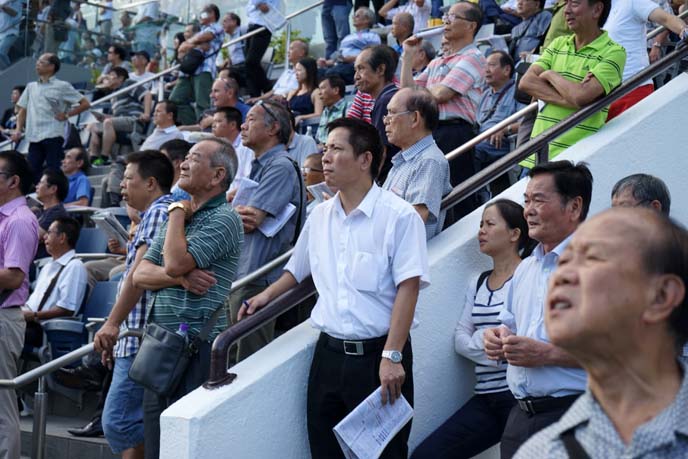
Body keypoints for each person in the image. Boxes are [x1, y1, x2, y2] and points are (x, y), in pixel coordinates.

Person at [239, 117, 429, 459]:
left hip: (378, 358)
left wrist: (392, 355)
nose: (325, 157)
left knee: (385, 453)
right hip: (327, 356)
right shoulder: (320, 215)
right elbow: (296, 272)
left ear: (365, 159)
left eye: (336, 149)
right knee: (325, 451)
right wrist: (263, 297)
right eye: (325, 149)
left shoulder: (399, 216)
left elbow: (409, 288)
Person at [515, 207, 688, 458]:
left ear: (661, 296)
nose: (561, 275)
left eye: (593, 257)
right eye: (564, 262)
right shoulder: (542, 453)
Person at [132, 139, 241, 459]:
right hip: (161, 342)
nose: (183, 164)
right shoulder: (178, 217)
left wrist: (177, 210)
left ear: (217, 175)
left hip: (196, 345)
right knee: (156, 442)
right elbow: (140, 275)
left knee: (183, 445)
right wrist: (179, 277)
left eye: (194, 159)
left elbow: (174, 261)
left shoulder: (224, 218)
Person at [483, 160, 593, 459]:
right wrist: (497, 338)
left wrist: (548, 355)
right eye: (526, 200)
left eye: (539, 200)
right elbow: (510, 325)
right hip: (520, 416)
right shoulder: (526, 269)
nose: (528, 209)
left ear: (574, 207)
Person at [412, 199, 534, 459]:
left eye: (490, 224)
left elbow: (521, 337)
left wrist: (491, 343)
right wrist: (490, 346)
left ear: (514, 234)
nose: (481, 231)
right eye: (480, 225)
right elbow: (460, 341)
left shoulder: (527, 277)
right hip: (486, 399)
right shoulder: (477, 283)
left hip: (518, 399)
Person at [92, 151, 174, 459]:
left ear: (151, 183)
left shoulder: (157, 212)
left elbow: (138, 277)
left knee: (119, 422)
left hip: (141, 337)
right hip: (138, 335)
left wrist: (113, 323)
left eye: (128, 178)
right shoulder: (156, 214)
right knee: (131, 421)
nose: (122, 185)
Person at [226, 100, 306, 363]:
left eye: (250, 119)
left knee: (247, 360)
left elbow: (251, 220)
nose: (243, 125)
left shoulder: (280, 166)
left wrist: (223, 213)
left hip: (258, 277)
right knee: (233, 355)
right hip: (245, 272)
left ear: (272, 128)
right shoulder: (261, 165)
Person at [400, 1, 485, 218]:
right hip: (432, 131)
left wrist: (424, 92)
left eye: (454, 17)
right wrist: (408, 56)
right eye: (446, 16)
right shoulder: (438, 61)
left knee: (456, 194)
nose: (446, 20)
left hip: (455, 132)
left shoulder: (474, 56)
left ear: (471, 26)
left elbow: (441, 94)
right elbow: (407, 94)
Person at [518, 0, 626, 168]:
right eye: (566, 4)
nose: (566, 11)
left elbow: (580, 96)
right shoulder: (558, 43)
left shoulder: (614, 52)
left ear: (597, 10)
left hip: (574, 160)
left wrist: (550, 74)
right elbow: (526, 82)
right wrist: (572, 98)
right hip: (537, 155)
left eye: (574, 3)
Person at [0, 151, 39, 459]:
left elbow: (14, 277)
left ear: (13, 181)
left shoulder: (20, 220)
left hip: (4, 317)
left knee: (1, 407)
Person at [382, 87, 450, 239]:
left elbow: (414, 219)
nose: (386, 120)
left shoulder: (428, 162)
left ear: (414, 119)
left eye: (392, 113)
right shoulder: (404, 160)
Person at [13, 53, 91, 184]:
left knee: (54, 170)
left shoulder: (62, 86)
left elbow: (85, 103)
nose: (37, 64)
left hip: (53, 133)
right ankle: (39, 196)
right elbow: (22, 110)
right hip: (34, 135)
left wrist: (67, 115)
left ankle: (56, 197)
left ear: (51, 67)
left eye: (41, 62)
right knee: (31, 170)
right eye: (37, 62)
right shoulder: (31, 86)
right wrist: (18, 129)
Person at [604, 0, 688, 120]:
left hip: (633, 88)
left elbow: (666, 19)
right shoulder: (599, 9)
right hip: (606, 93)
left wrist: (684, 30)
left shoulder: (632, 2)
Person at [22, 217, 87, 347]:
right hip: (27, 322)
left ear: (62, 238)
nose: (45, 237)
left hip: (44, 330)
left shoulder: (74, 266)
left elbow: (66, 309)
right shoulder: (47, 266)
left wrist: (33, 315)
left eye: (49, 232)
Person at [474, 51, 524, 196]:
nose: (487, 70)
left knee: (472, 152)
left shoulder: (518, 91)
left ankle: (477, 196)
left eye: (492, 65)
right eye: (485, 66)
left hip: (503, 144)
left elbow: (527, 121)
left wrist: (505, 129)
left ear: (507, 69)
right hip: (481, 139)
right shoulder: (485, 94)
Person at [171, 3, 225, 125]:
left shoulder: (217, 27)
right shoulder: (200, 31)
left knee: (202, 103)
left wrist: (187, 44)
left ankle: (203, 129)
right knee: (175, 100)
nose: (201, 15)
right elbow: (182, 51)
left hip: (204, 70)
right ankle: (195, 125)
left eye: (205, 12)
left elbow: (207, 36)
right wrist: (195, 43)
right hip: (188, 71)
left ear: (213, 14)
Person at [87, 67, 153, 164]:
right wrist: (102, 117)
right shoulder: (114, 94)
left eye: (112, 75)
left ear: (120, 78)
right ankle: (93, 158)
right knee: (92, 126)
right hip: (120, 121)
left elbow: (147, 94)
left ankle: (104, 157)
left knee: (108, 122)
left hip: (134, 120)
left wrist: (147, 114)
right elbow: (115, 117)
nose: (108, 77)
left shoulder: (128, 84)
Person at [353, 45, 399, 182]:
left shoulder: (386, 101)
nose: (356, 76)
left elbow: (381, 152)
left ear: (380, 70)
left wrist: (367, 186)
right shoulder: (390, 96)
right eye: (355, 70)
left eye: (361, 69)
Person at [318, 7, 381, 84]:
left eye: (357, 16)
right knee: (317, 73)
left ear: (367, 19)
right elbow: (338, 57)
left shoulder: (372, 35)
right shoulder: (347, 37)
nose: (353, 18)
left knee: (331, 75)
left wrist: (351, 59)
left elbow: (374, 54)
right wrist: (326, 62)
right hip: (340, 65)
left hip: (355, 66)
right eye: (353, 16)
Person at [247, 39, 309, 104]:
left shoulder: (305, 73)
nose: (288, 51)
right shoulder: (287, 72)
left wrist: (283, 96)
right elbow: (273, 91)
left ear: (301, 53)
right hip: (273, 101)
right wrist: (257, 99)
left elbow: (303, 91)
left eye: (291, 49)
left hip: (286, 103)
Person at [245, 0, 280, 97]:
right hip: (252, 26)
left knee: (251, 62)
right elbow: (248, 9)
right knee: (248, 66)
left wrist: (257, 4)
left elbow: (264, 8)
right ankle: (254, 95)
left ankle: (269, 90)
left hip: (263, 27)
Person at [34, 169, 69, 259]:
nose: (37, 186)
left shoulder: (57, 213)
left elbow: (31, 237)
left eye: (41, 183)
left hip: (42, 262)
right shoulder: (38, 211)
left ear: (53, 189)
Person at [288, 57, 324, 125]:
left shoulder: (316, 92)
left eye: (299, 70)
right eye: (295, 70)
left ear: (308, 71)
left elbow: (319, 114)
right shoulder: (293, 92)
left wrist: (301, 117)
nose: (296, 73)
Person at [315, 75, 350, 144]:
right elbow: (318, 138)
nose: (319, 93)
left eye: (322, 88)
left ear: (336, 90)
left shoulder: (348, 107)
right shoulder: (325, 111)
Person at [218, 12, 247, 87]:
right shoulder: (229, 38)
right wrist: (228, 60)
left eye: (225, 21)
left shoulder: (243, 30)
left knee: (224, 75)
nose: (222, 24)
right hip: (235, 67)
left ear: (234, 22)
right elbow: (235, 54)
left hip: (244, 66)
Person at [0, 0, 22, 70]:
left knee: (1, 53)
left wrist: (4, 7)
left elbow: (15, 14)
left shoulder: (16, 2)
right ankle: (9, 71)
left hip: (10, 32)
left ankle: (8, 72)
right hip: (1, 32)